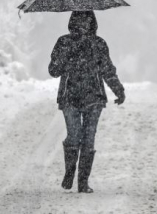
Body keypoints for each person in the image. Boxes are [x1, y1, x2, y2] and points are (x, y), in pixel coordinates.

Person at [48, 10, 125, 193]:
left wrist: (118, 89)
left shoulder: (98, 44)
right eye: (79, 21)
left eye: (87, 21)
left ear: (92, 23)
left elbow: (107, 69)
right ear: (73, 22)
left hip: (94, 98)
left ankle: (83, 182)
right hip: (69, 97)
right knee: (74, 136)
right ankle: (70, 171)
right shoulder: (64, 42)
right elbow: (53, 70)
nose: (83, 25)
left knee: (88, 140)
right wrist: (67, 54)